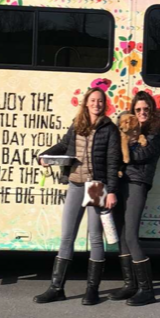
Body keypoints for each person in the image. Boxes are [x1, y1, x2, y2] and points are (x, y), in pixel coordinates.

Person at [34, 87, 121, 305]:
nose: (96, 104)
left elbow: (112, 161)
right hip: (75, 183)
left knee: (94, 238)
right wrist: (45, 156)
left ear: (104, 104)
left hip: (96, 186)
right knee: (67, 236)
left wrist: (111, 190)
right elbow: (64, 145)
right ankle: (56, 288)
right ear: (86, 102)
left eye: (100, 101)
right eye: (93, 100)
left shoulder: (109, 129)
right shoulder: (78, 123)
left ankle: (92, 289)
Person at [109, 91, 160, 306]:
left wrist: (121, 149)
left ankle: (147, 289)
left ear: (151, 112)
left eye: (146, 109)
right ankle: (129, 285)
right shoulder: (128, 127)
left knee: (131, 234)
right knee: (122, 234)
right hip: (121, 182)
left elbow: (143, 155)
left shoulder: (156, 132)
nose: (142, 113)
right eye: (138, 110)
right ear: (133, 111)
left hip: (138, 183)